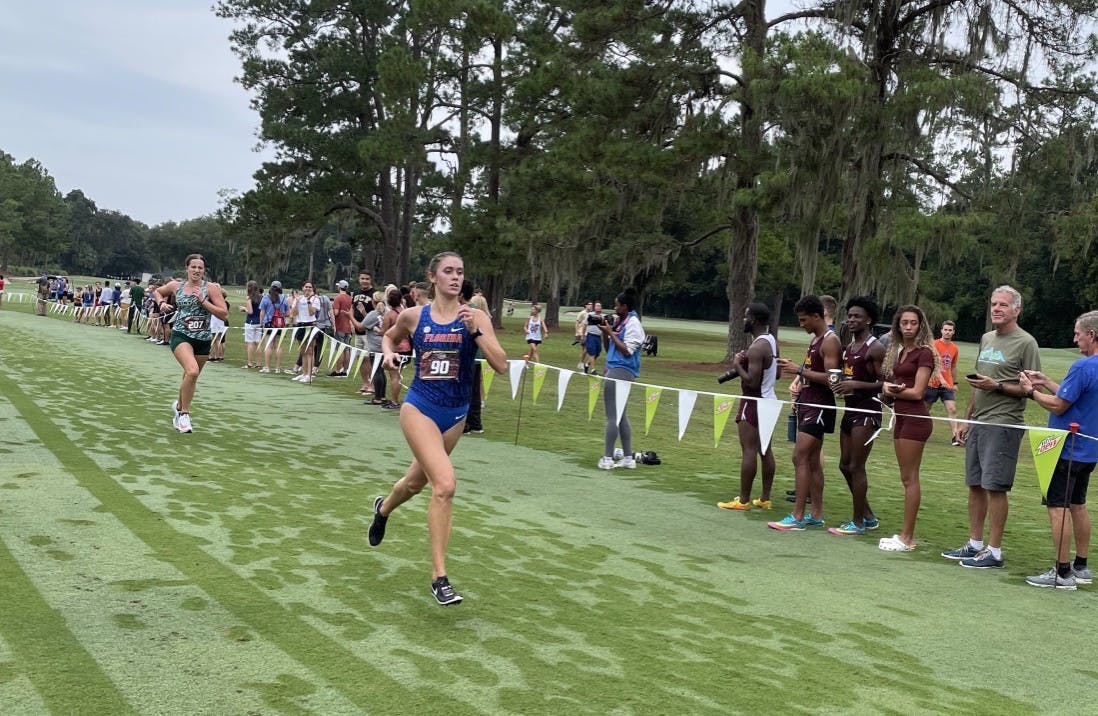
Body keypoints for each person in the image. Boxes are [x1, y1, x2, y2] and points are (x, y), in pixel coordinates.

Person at [367, 251, 507, 606]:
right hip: (420, 408)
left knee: (416, 483)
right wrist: (387, 354)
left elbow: (501, 365)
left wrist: (476, 332)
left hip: (455, 415)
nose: (455, 277)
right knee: (444, 485)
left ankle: (383, 509)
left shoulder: (475, 317)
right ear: (433, 278)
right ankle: (439, 577)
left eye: (460, 272)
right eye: (448, 271)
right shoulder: (416, 316)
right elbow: (388, 335)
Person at [941, 285, 1041, 569]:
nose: (996, 308)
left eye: (1003, 305)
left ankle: (994, 551)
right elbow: (977, 383)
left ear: (1016, 310)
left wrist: (996, 386)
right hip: (978, 421)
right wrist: (965, 419)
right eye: (994, 304)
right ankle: (974, 545)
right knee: (974, 484)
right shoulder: (986, 338)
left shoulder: (1026, 343)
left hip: (1004, 422)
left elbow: (1029, 389)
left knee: (994, 486)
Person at [1019, 311, 1098, 589]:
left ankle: (1062, 573)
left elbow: (1059, 405)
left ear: (1092, 335)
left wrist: (1031, 391)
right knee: (1078, 506)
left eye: (1078, 333)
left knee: (1058, 508)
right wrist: (1047, 381)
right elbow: (1073, 395)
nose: (1075, 338)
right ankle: (1081, 566)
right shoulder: (1090, 369)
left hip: (1067, 451)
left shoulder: (1082, 367)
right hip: (1089, 452)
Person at [770, 295, 841, 531]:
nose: (801, 324)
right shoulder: (816, 340)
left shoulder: (830, 341)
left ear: (817, 316)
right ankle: (816, 514)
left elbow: (833, 380)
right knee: (811, 461)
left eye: (803, 320)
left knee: (799, 456)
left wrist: (798, 370)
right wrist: (800, 376)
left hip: (820, 405)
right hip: (808, 401)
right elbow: (813, 370)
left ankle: (797, 517)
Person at [877, 305, 938, 551]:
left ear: (920, 325)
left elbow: (917, 392)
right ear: (898, 325)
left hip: (916, 419)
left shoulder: (923, 353)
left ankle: (907, 538)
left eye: (914, 323)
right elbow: (895, 390)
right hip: (901, 416)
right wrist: (887, 391)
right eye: (905, 323)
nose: (909, 327)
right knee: (906, 477)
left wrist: (894, 390)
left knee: (910, 478)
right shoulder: (900, 352)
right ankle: (905, 535)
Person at [828, 296, 885, 536]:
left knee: (856, 466)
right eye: (849, 315)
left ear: (868, 320)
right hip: (850, 411)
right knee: (844, 465)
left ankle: (858, 523)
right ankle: (868, 515)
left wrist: (855, 385)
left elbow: (885, 384)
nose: (851, 320)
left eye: (857, 316)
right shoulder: (848, 347)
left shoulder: (875, 347)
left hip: (867, 411)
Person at [155, 254, 228, 433]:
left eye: (200, 268)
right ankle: (184, 415)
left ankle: (179, 407)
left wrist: (203, 301)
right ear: (187, 268)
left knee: (190, 376)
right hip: (181, 335)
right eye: (193, 267)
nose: (196, 270)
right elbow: (158, 292)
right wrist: (161, 303)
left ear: (204, 271)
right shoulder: (176, 286)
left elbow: (223, 314)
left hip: (203, 339)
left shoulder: (210, 288)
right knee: (192, 370)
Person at [718, 302, 778, 510]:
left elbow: (752, 382)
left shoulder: (756, 347)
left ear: (753, 321)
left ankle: (743, 501)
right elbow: (777, 374)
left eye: (745, 317)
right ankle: (764, 498)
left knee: (749, 450)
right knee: (765, 450)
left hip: (753, 401)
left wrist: (737, 365)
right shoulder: (771, 341)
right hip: (769, 398)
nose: (742, 320)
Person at [595, 291, 646, 470]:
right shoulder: (621, 322)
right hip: (614, 368)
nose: (615, 308)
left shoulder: (633, 324)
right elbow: (608, 348)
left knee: (612, 416)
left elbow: (626, 351)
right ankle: (627, 457)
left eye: (617, 305)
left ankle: (608, 458)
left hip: (622, 370)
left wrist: (611, 332)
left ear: (626, 306)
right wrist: (605, 333)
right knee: (621, 416)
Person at [925, 320, 961, 445]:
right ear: (941, 331)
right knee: (926, 409)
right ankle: (921, 432)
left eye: (950, 330)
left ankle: (955, 437)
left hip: (947, 385)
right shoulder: (933, 345)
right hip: (932, 383)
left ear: (953, 332)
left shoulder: (954, 348)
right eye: (945, 329)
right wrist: (941, 380)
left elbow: (953, 366)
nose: (947, 332)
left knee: (952, 409)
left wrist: (954, 383)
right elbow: (933, 365)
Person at [289, 281, 320, 383]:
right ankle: (304, 373)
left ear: (312, 289)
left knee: (310, 351)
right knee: (303, 351)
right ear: (302, 288)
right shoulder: (298, 299)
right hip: (300, 325)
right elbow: (293, 314)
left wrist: (308, 301)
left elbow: (312, 313)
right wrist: (297, 301)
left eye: (310, 287)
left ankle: (309, 375)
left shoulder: (315, 299)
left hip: (310, 325)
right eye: (306, 287)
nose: (308, 288)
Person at [259, 281, 289, 373]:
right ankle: (278, 368)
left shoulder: (266, 298)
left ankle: (267, 367)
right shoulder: (284, 298)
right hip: (280, 324)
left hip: (269, 324)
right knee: (278, 346)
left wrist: (261, 324)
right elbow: (287, 313)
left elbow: (262, 312)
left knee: (268, 345)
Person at [331, 280, 354, 377]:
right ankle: (345, 370)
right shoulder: (350, 298)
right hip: (349, 326)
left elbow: (336, 312)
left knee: (339, 349)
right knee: (347, 349)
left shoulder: (338, 298)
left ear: (339, 287)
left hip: (340, 326)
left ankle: (338, 370)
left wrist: (332, 311)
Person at [240, 280, 264, 368]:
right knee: (258, 343)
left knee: (250, 343)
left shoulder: (249, 298)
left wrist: (244, 309)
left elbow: (250, 311)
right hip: (259, 322)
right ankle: (258, 363)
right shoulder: (262, 297)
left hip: (250, 322)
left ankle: (250, 363)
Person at [583, 301, 605, 374]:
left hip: (598, 337)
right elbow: (584, 325)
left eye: (599, 306)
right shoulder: (590, 315)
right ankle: (593, 370)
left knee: (597, 353)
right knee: (592, 352)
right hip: (590, 335)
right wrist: (583, 336)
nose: (598, 307)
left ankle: (586, 365)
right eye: (596, 306)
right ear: (594, 307)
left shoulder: (602, 317)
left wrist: (603, 339)